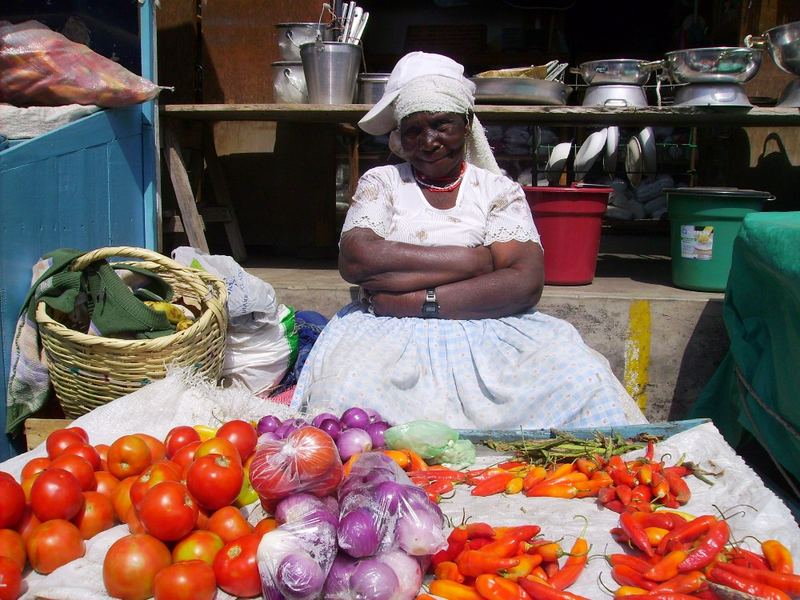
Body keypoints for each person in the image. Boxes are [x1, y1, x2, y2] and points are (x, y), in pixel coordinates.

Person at [291, 52, 646, 430]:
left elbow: (524, 283)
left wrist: (417, 300)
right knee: (345, 391)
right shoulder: (383, 183)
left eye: (441, 125)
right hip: (387, 331)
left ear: (466, 125)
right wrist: (476, 263)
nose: (428, 141)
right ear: (399, 137)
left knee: (581, 377)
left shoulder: (497, 190)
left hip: (485, 325)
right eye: (413, 130)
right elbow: (358, 261)